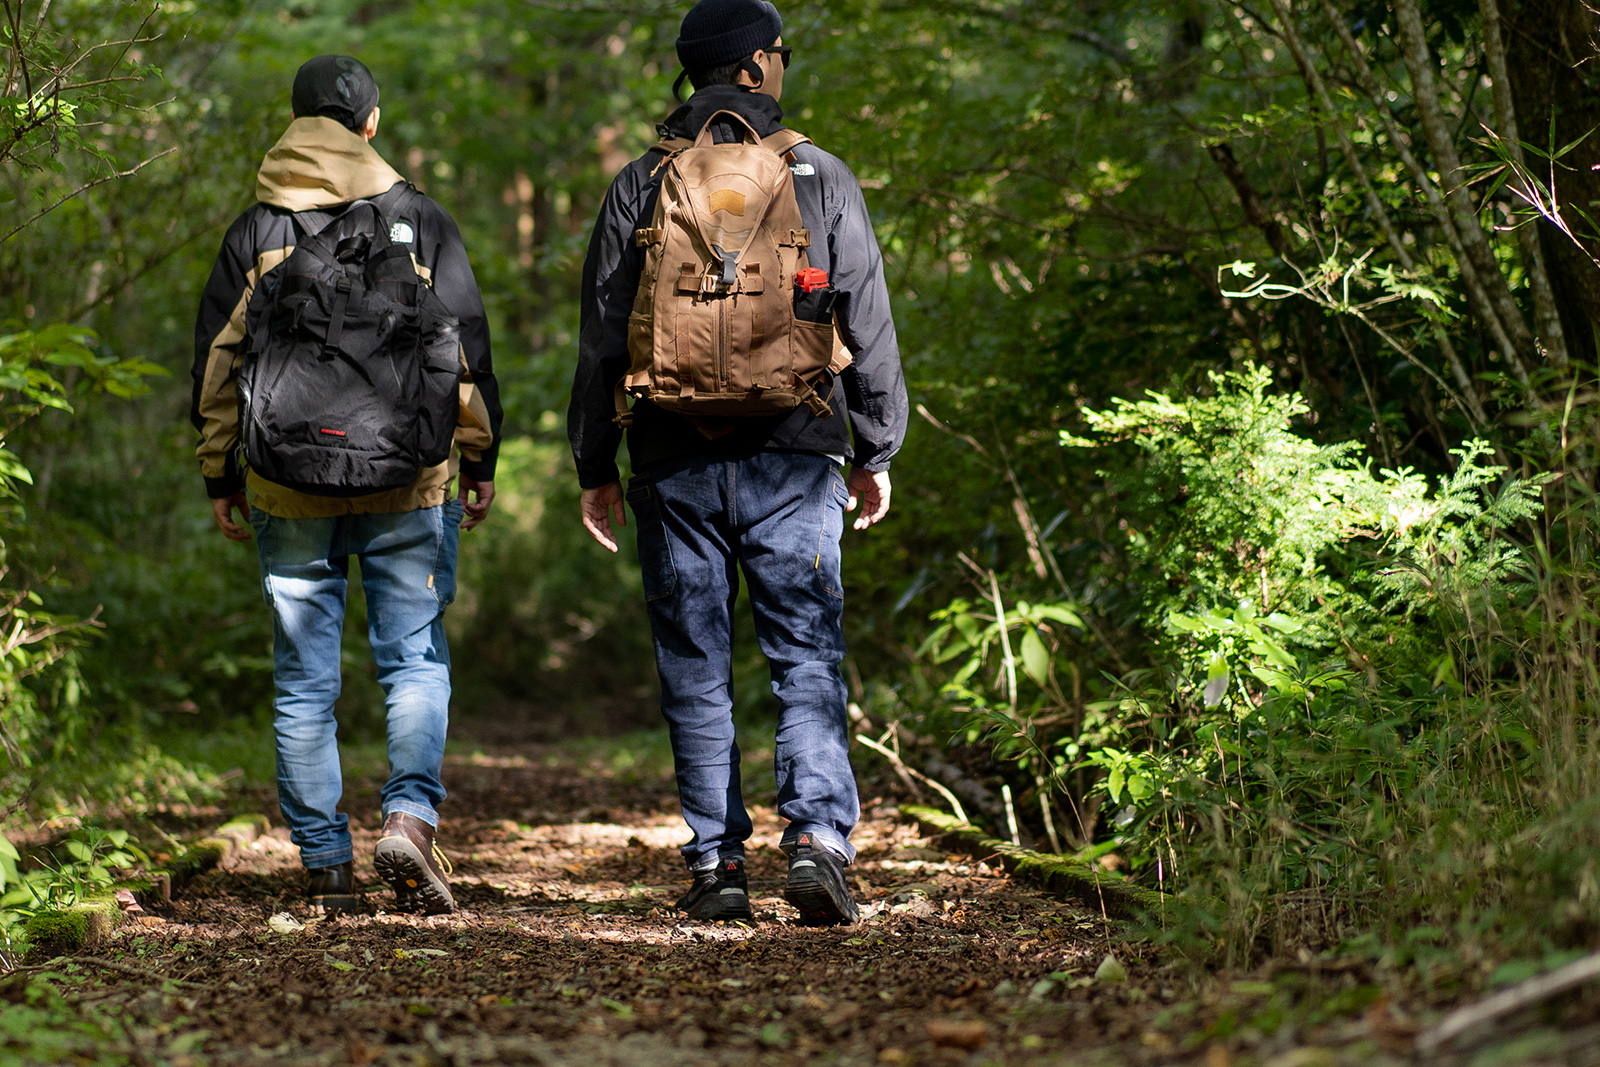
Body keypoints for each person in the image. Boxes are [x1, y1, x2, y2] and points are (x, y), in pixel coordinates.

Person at [568, 0, 908, 925]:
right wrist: (875, 446)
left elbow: (604, 337)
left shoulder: (641, 182)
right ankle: (817, 841)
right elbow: (864, 322)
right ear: (756, 65)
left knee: (694, 663)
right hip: (796, 451)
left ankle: (717, 863)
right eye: (780, 53)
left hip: (672, 457)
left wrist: (595, 461)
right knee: (803, 654)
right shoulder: (818, 175)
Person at [191, 55, 502, 915]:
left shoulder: (255, 231)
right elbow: (464, 354)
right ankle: (408, 819)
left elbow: (219, 364)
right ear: (370, 124)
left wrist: (220, 470)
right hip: (410, 480)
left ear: (297, 124)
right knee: (412, 658)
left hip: (286, 485)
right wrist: (477, 460)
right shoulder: (421, 220)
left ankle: (325, 859)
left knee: (303, 677)